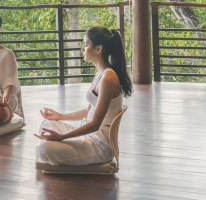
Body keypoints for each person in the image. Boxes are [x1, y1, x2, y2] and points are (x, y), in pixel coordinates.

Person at [35, 26, 133, 166]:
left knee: (44, 149)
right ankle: (60, 147)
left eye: (85, 45)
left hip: (99, 146)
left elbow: (95, 124)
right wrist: (60, 116)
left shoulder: (108, 78)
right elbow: (87, 112)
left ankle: (56, 149)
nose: (82, 49)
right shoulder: (101, 74)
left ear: (98, 49)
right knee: (47, 124)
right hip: (88, 136)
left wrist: (62, 137)